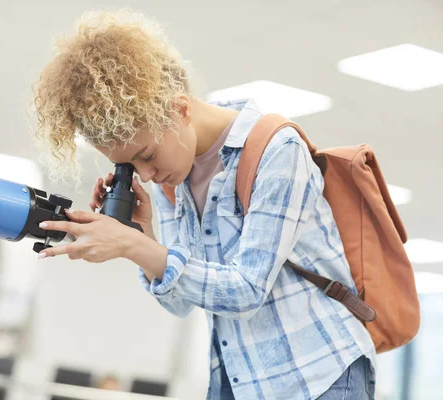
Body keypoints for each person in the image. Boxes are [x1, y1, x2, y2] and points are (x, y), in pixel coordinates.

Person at [31, 9, 376, 400]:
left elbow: (246, 290)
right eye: (129, 166)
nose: (144, 175)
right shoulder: (172, 178)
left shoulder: (277, 151)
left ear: (180, 110)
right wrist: (144, 239)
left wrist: (136, 247)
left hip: (317, 376)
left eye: (145, 155)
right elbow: (180, 304)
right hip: (236, 381)